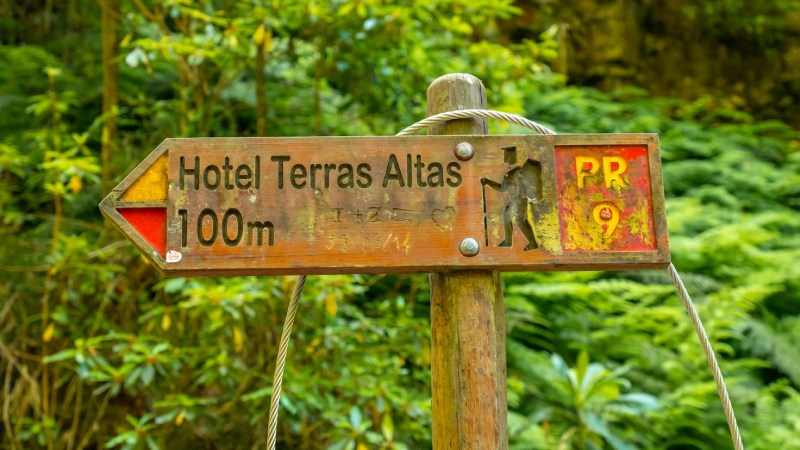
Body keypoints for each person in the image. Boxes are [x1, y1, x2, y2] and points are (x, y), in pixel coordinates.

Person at [481, 147, 542, 251]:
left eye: (507, 156)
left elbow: (518, 185)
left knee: (521, 222)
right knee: (506, 218)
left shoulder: (518, 172)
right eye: (506, 156)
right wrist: (488, 182)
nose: (506, 159)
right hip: (513, 201)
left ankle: (533, 244)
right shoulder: (508, 174)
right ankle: (508, 241)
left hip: (520, 201)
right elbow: (501, 188)